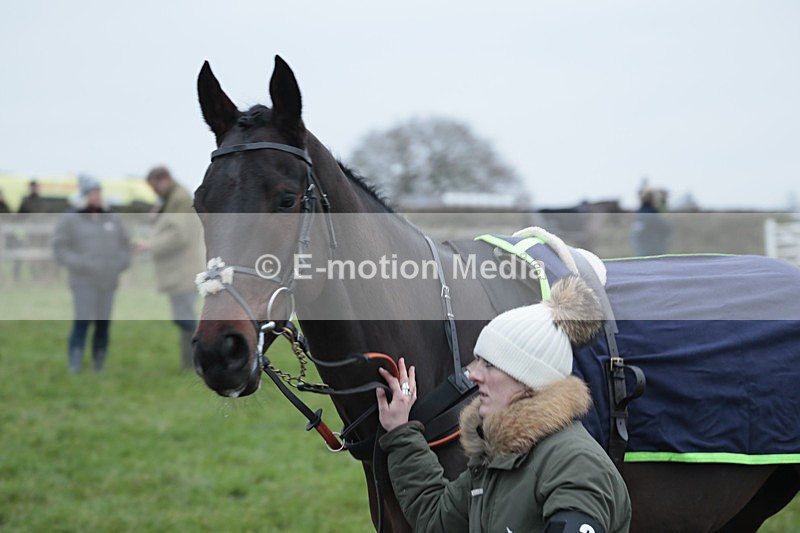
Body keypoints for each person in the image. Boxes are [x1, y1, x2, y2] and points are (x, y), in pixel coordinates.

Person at [376, 276, 632, 532]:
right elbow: (437, 519)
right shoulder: (499, 457)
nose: (474, 375)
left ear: (528, 379)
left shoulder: (576, 465)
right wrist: (401, 432)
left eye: (489, 364)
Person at [52, 175, 131, 373]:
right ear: (84, 196)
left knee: (103, 325)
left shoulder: (112, 218)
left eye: (98, 192)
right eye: (92, 193)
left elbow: (125, 245)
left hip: (108, 281)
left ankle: (99, 366)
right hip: (83, 282)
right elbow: (60, 248)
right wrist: (81, 264)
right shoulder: (71, 219)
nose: (96, 196)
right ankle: (75, 365)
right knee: (82, 322)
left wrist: (119, 264)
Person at [137, 166, 204, 370]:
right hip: (178, 269)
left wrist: (150, 246)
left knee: (185, 318)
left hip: (183, 269)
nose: (153, 191)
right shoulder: (171, 200)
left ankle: (196, 362)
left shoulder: (180, 199)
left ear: (163, 180)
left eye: (153, 186)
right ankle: (191, 363)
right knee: (183, 317)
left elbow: (178, 235)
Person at [631, 187, 672, 256]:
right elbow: (667, 229)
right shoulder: (652, 216)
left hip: (642, 253)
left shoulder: (639, 216)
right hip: (654, 254)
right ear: (653, 199)